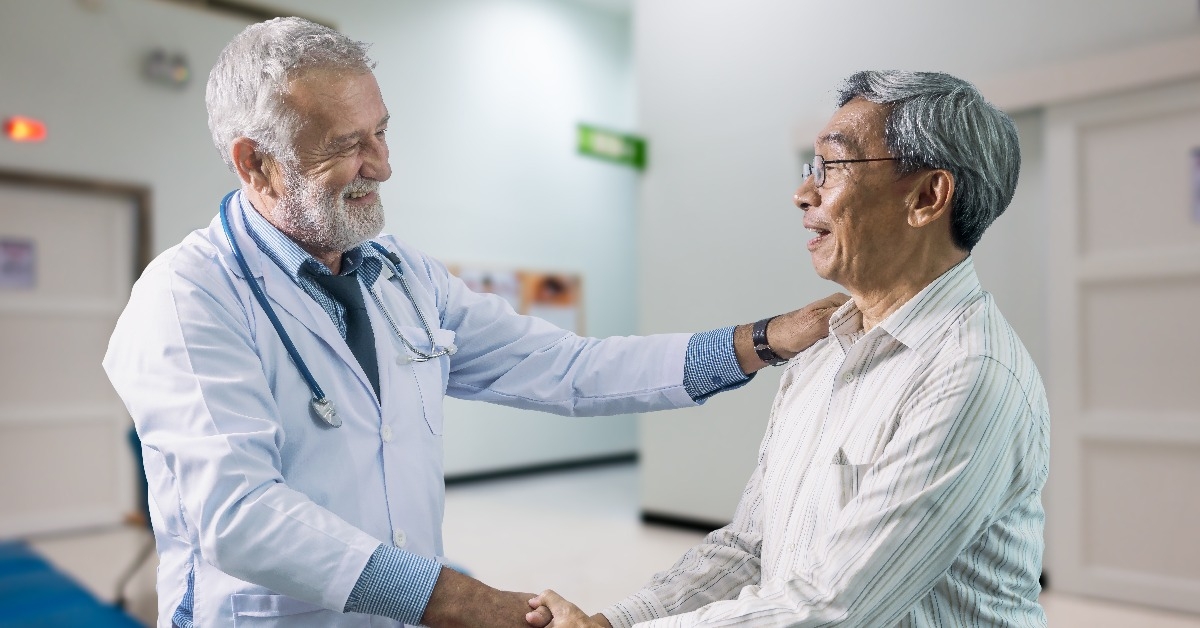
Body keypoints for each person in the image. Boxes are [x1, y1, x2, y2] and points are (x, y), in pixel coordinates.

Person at [101, 17, 845, 628]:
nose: (383, 165)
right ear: (256, 164)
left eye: (382, 132)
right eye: (347, 146)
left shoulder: (402, 275)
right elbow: (241, 516)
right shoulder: (187, 296)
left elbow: (569, 369)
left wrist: (759, 341)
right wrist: (457, 599)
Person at [531, 70, 1050, 627]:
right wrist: (612, 621)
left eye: (833, 167)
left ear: (927, 196)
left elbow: (835, 608)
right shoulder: (822, 351)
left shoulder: (970, 375)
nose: (803, 193)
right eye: (812, 168)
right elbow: (751, 548)